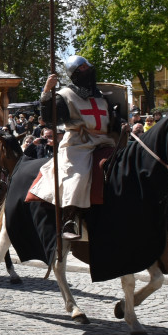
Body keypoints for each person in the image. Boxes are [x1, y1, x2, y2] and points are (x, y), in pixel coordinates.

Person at [29, 56, 120, 240]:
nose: (89, 69)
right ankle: (70, 219)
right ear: (76, 73)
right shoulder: (65, 95)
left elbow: (110, 119)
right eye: (84, 67)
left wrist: (121, 122)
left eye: (88, 65)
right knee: (77, 176)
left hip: (105, 141)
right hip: (79, 144)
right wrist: (47, 91)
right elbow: (50, 119)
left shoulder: (101, 96)